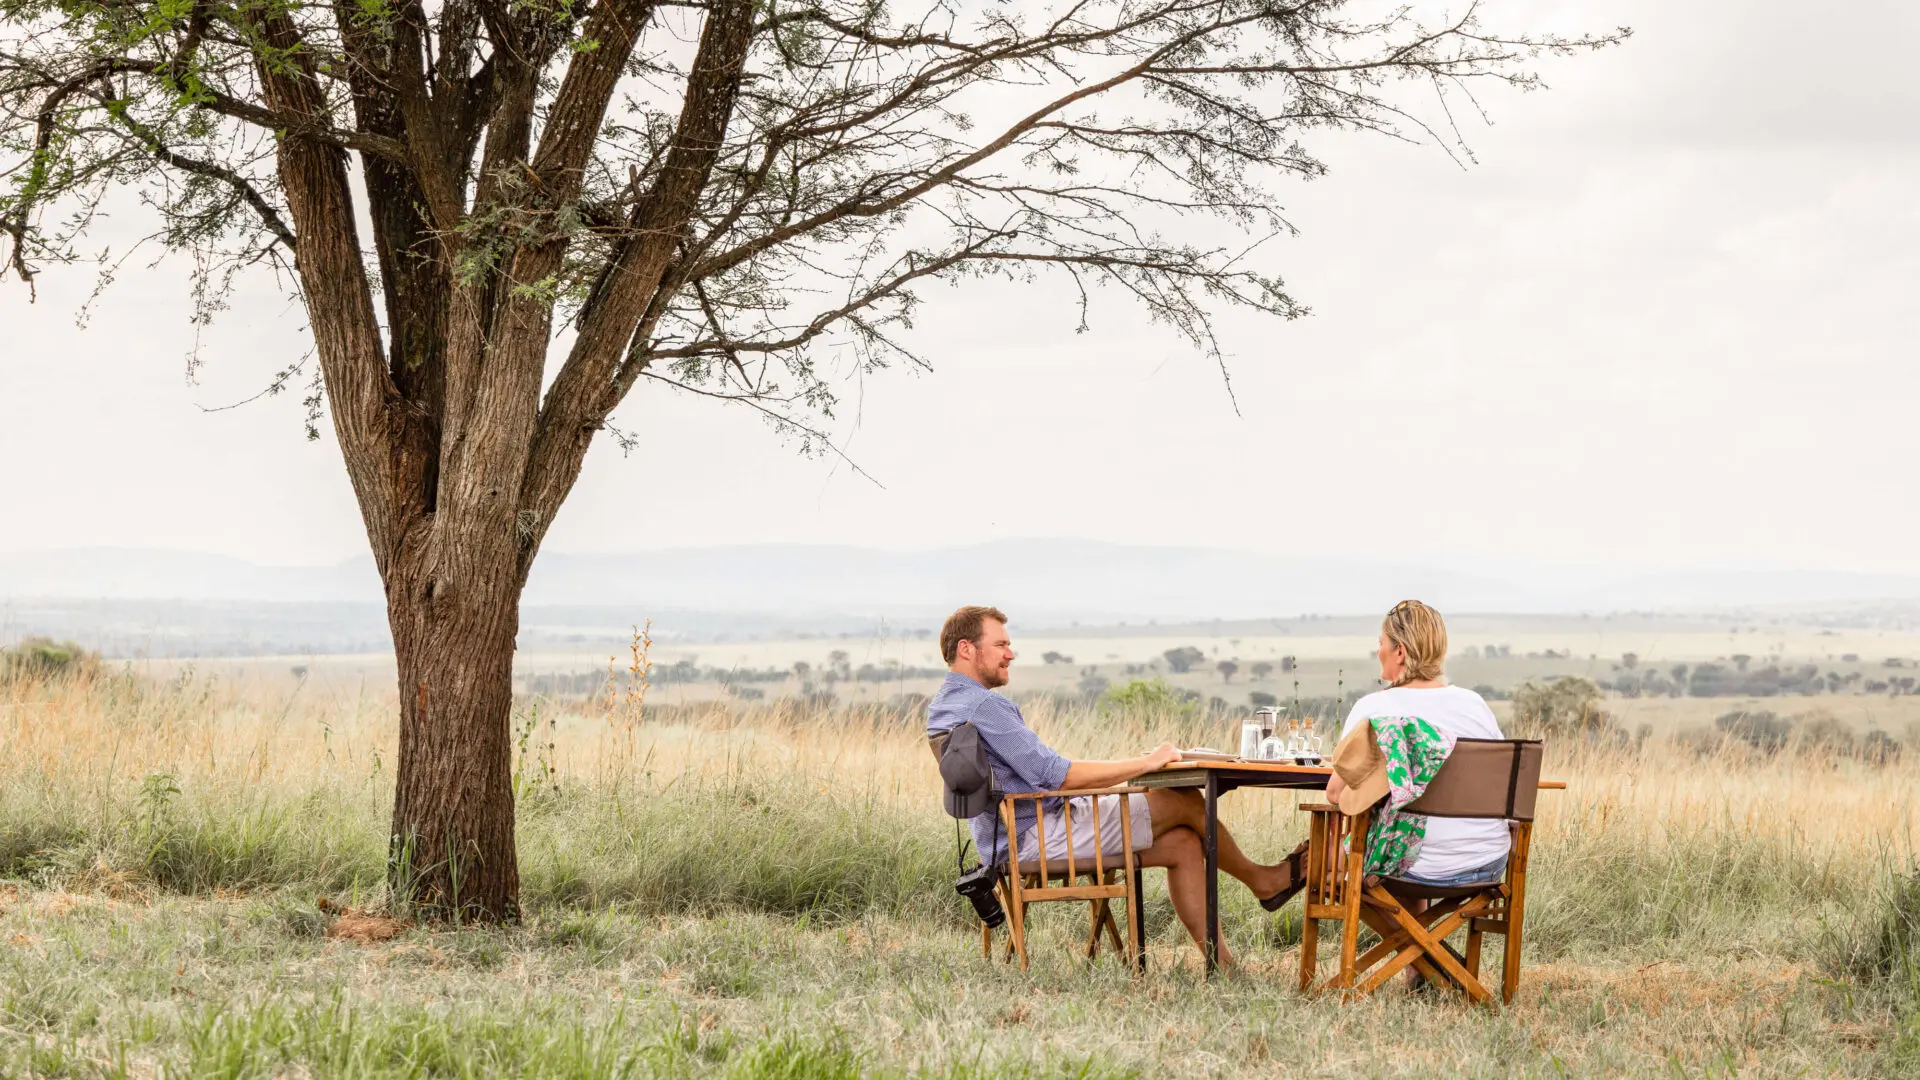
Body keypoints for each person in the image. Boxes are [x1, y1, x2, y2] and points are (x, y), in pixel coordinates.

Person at [927, 605, 1304, 968]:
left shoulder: (943, 706)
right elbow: (1055, 774)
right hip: (1036, 835)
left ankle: (1222, 966)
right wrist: (1146, 763)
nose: (1011, 653)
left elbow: (1031, 777)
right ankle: (1264, 881)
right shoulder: (984, 706)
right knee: (1185, 800)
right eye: (1000, 645)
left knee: (1185, 846)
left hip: (1001, 840)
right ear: (966, 649)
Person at [1324, 600, 1509, 986]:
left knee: (1332, 860)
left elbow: (1334, 793)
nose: (1378, 651)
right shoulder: (1475, 707)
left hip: (1412, 865)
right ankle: (1423, 964)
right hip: (1486, 863)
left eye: (1381, 643)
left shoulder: (1375, 708)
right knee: (1404, 829)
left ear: (1400, 652)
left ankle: (1422, 955)